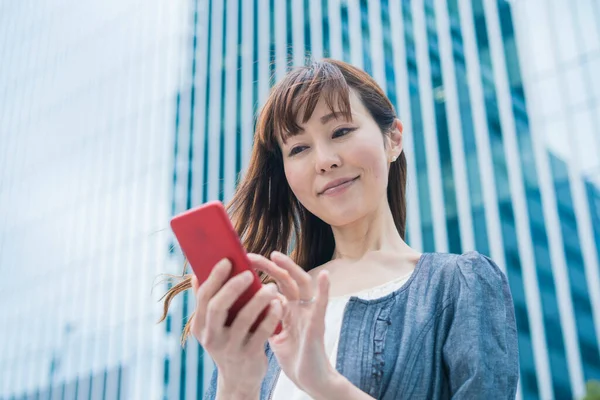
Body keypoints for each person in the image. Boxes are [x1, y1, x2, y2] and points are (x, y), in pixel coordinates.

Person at [159, 59, 519, 399]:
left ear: (393, 138)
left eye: (341, 130)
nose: (325, 160)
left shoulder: (456, 284)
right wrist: (235, 383)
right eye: (298, 148)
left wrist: (325, 384)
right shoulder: (264, 313)